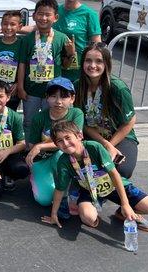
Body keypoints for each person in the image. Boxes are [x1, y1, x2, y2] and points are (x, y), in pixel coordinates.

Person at [42, 120, 148, 232]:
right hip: (89, 190)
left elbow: (114, 175)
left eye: (68, 138)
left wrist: (125, 204)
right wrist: (54, 214)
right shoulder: (63, 161)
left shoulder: (94, 147)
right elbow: (60, 189)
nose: (65, 143)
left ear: (79, 136)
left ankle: (123, 212)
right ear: (56, 144)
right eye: (60, 141)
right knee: (88, 218)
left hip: (112, 185)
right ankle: (93, 208)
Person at [74, 42, 139, 179]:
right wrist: (104, 144)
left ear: (106, 64)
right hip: (93, 136)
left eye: (99, 61)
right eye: (88, 61)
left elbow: (130, 121)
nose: (92, 65)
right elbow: (82, 123)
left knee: (123, 169)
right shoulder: (77, 86)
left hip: (120, 136)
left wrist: (110, 145)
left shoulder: (118, 88)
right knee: (82, 165)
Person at [17, 0, 74, 139]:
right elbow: (22, 64)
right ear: (34, 15)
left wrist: (71, 53)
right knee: (29, 121)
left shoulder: (62, 38)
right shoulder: (27, 39)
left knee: (55, 122)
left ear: (55, 17)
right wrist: (20, 87)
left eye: (48, 15)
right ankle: (30, 148)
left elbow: (66, 66)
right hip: (31, 90)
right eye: (40, 14)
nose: (43, 18)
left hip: (54, 92)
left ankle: (54, 147)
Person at [26, 77, 84, 207]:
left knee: (63, 153)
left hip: (63, 156)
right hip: (42, 160)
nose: (58, 101)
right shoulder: (39, 117)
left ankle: (68, 189)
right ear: (47, 97)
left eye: (64, 97)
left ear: (72, 99)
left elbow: (73, 142)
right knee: (44, 200)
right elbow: (32, 146)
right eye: (53, 96)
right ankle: (36, 177)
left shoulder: (76, 114)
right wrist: (38, 147)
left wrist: (42, 145)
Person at [53, 0, 101, 82]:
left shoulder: (89, 14)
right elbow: (38, 27)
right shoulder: (55, 11)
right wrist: (15, 28)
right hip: (56, 69)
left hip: (78, 74)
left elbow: (97, 44)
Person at [0, 10, 24, 111]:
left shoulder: (22, 44)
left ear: (19, 27)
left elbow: (23, 66)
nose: (8, 28)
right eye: (5, 24)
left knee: (10, 116)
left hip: (12, 91)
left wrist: (18, 84)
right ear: (1, 25)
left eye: (12, 24)